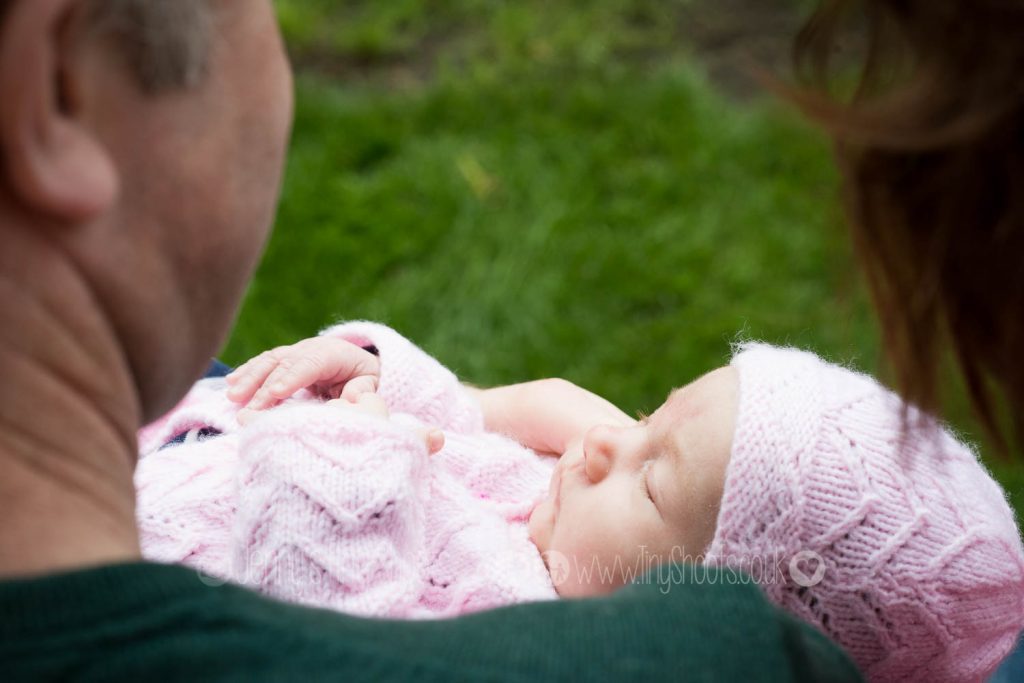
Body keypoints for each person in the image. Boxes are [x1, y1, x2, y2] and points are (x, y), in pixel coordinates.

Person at [0, 1, 860, 681]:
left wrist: (383, 399)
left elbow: (418, 481)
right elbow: (334, 623)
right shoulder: (677, 653)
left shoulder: (522, 582)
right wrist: (372, 429)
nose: (606, 435)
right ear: (61, 88)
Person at [140, 321, 1023, 680]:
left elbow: (320, 626)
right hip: (183, 434)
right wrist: (382, 380)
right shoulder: (567, 526)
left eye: (650, 475)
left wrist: (339, 454)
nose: (603, 441)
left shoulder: (516, 634)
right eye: (649, 414)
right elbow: (471, 436)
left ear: (685, 616)